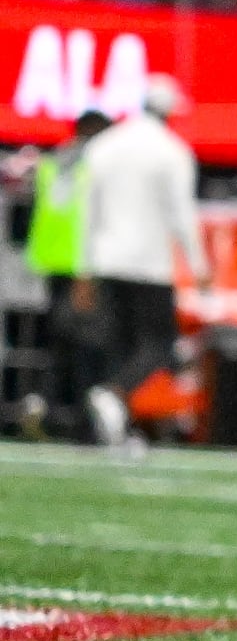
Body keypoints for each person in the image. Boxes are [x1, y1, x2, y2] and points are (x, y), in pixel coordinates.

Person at [77, 82, 206, 451]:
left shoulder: (105, 146)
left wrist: (84, 267)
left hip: (107, 259)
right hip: (149, 264)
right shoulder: (172, 153)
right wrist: (198, 264)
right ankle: (114, 397)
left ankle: (114, 423)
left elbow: (89, 212)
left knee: (120, 345)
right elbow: (182, 214)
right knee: (159, 344)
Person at [15, 108, 107, 441]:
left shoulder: (54, 161)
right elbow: (90, 219)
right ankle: (81, 419)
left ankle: (45, 405)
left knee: (60, 342)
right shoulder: (95, 166)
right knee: (87, 344)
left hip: (51, 261)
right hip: (82, 265)